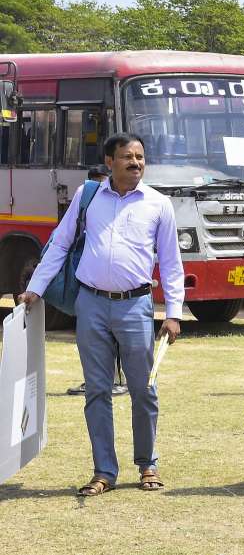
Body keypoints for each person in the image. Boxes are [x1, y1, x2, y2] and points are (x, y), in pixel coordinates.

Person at [19, 134, 184, 497]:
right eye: (127, 157)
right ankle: (104, 471)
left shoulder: (158, 204)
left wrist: (173, 313)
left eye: (140, 157)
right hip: (90, 304)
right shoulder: (88, 195)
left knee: (143, 389)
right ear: (109, 161)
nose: (135, 163)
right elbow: (60, 244)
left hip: (136, 306)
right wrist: (36, 287)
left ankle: (148, 464)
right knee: (97, 391)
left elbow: (171, 263)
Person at [67, 164, 129, 398]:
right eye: (94, 180)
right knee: (91, 340)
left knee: (116, 338)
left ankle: (117, 381)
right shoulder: (88, 200)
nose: (99, 185)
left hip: (119, 291)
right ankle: (95, 381)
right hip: (89, 286)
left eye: (101, 179)